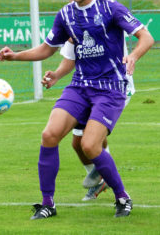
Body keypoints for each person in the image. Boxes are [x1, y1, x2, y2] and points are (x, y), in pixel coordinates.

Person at [0, 0, 154, 219]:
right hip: (80, 86)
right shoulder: (66, 14)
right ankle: (48, 204)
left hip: (110, 88)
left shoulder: (110, 7)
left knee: (90, 145)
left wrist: (134, 56)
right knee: (50, 135)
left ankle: (122, 198)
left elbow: (145, 37)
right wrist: (15, 56)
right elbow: (47, 49)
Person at [42, 35, 135, 201]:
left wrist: (134, 55)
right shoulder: (73, 21)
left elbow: (141, 35)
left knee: (91, 141)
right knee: (77, 144)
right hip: (86, 87)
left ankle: (115, 187)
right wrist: (56, 74)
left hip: (114, 86)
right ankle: (100, 177)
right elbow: (68, 57)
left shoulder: (108, 13)